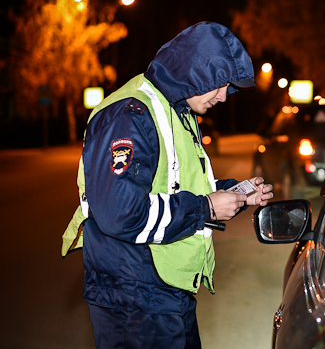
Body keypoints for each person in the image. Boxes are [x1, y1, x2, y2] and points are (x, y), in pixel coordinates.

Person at [61, 21, 274, 349]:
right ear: (194, 74)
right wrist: (206, 208)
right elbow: (119, 211)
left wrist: (235, 193)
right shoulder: (130, 115)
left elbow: (177, 184)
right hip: (135, 294)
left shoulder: (177, 111)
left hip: (163, 290)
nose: (223, 96)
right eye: (218, 84)